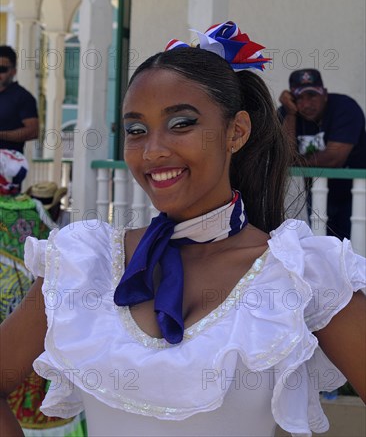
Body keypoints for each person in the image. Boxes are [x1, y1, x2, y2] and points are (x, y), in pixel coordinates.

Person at [0, 22, 365, 437]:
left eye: (182, 123)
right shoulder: (86, 263)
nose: (153, 150)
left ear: (236, 132)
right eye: (136, 130)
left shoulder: (304, 274)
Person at [278, 68, 366, 240]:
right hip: (316, 196)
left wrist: (296, 163)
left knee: (354, 251)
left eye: (312, 96)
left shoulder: (344, 108)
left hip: (354, 195)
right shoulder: (287, 114)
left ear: (324, 94)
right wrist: (290, 114)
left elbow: (334, 158)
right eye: (299, 98)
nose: (307, 104)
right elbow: (285, 157)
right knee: (323, 253)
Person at [0, 45, 39, 155]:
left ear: (14, 71)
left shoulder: (23, 97)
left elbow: (33, 131)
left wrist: (2, 135)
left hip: (8, 165)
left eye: (2, 69)